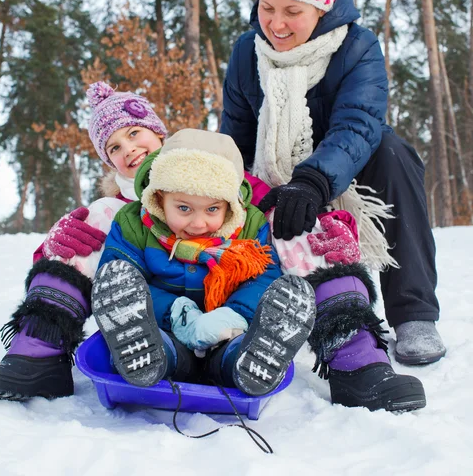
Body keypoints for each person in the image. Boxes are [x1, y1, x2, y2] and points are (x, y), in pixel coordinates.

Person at [220, 0, 446, 368]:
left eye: (292, 11)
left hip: (342, 175)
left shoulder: (357, 46)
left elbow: (358, 124)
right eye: (267, 6)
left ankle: (413, 314)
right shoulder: (247, 53)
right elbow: (235, 140)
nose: (276, 24)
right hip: (276, 181)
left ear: (321, 8)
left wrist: (314, 179)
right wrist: (235, 188)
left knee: (394, 152)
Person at [92, 129, 426, 411]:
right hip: (166, 333)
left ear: (231, 203)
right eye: (183, 208)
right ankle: (145, 357)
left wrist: (233, 317)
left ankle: (254, 362)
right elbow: (120, 278)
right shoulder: (133, 221)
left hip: (227, 336)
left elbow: (263, 276)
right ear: (159, 198)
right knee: (161, 346)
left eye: (212, 209)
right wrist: (174, 312)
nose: (198, 223)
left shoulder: (249, 224)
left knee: (237, 352)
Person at [0, 82, 168, 400]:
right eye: (113, 147)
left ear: (159, 133)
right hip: (148, 313)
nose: (127, 149)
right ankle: (40, 356)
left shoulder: (208, 172)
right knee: (97, 219)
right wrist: (50, 248)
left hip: (213, 300)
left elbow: (250, 202)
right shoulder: (112, 210)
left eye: (133, 133)